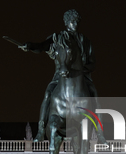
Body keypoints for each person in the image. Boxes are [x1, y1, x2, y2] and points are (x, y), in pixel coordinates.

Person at [19, 9, 105, 143]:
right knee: (48, 94)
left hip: (82, 78)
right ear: (66, 22)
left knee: (95, 95)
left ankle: (100, 132)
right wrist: (29, 46)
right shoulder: (58, 39)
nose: (74, 24)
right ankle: (41, 129)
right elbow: (42, 46)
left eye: (76, 21)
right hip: (60, 78)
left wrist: (81, 71)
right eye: (72, 21)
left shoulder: (85, 41)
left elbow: (92, 63)